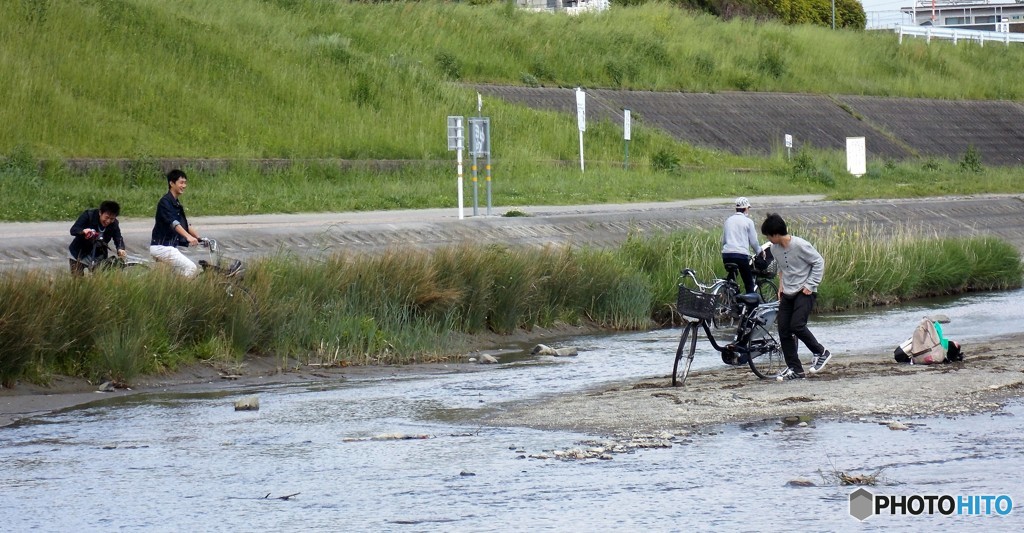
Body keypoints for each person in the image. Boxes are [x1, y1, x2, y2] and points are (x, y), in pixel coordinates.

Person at [760, 213, 831, 381]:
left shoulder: (800, 245)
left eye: (769, 236)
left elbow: (818, 262)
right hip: (787, 293)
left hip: (804, 292)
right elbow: (782, 268)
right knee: (783, 330)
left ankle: (821, 352)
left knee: (797, 325)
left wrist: (810, 284)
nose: (768, 239)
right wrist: (780, 287)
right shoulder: (774, 249)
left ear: (776, 234)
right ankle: (795, 369)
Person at [150, 169, 203, 277]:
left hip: (169, 247)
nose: (184, 185)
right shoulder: (165, 202)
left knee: (174, 276)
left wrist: (199, 237)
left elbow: (185, 224)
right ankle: (180, 292)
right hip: (162, 247)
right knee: (191, 268)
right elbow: (174, 223)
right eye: (181, 182)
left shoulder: (176, 203)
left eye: (185, 183)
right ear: (171, 183)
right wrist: (188, 237)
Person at [68, 200, 126, 275]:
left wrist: (120, 248)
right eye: (107, 217)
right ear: (100, 213)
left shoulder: (114, 224)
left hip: (98, 255)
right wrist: (83, 231)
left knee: (100, 279)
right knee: (77, 281)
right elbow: (73, 230)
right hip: (78, 253)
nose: (108, 221)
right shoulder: (88, 215)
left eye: (112, 219)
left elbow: (118, 237)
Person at [721, 197, 760, 295]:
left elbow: (724, 241)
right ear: (746, 209)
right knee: (748, 282)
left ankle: (730, 296)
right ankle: (752, 308)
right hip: (740, 256)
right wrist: (759, 251)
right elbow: (754, 242)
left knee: (732, 277)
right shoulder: (748, 221)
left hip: (726, 255)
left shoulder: (728, 220)